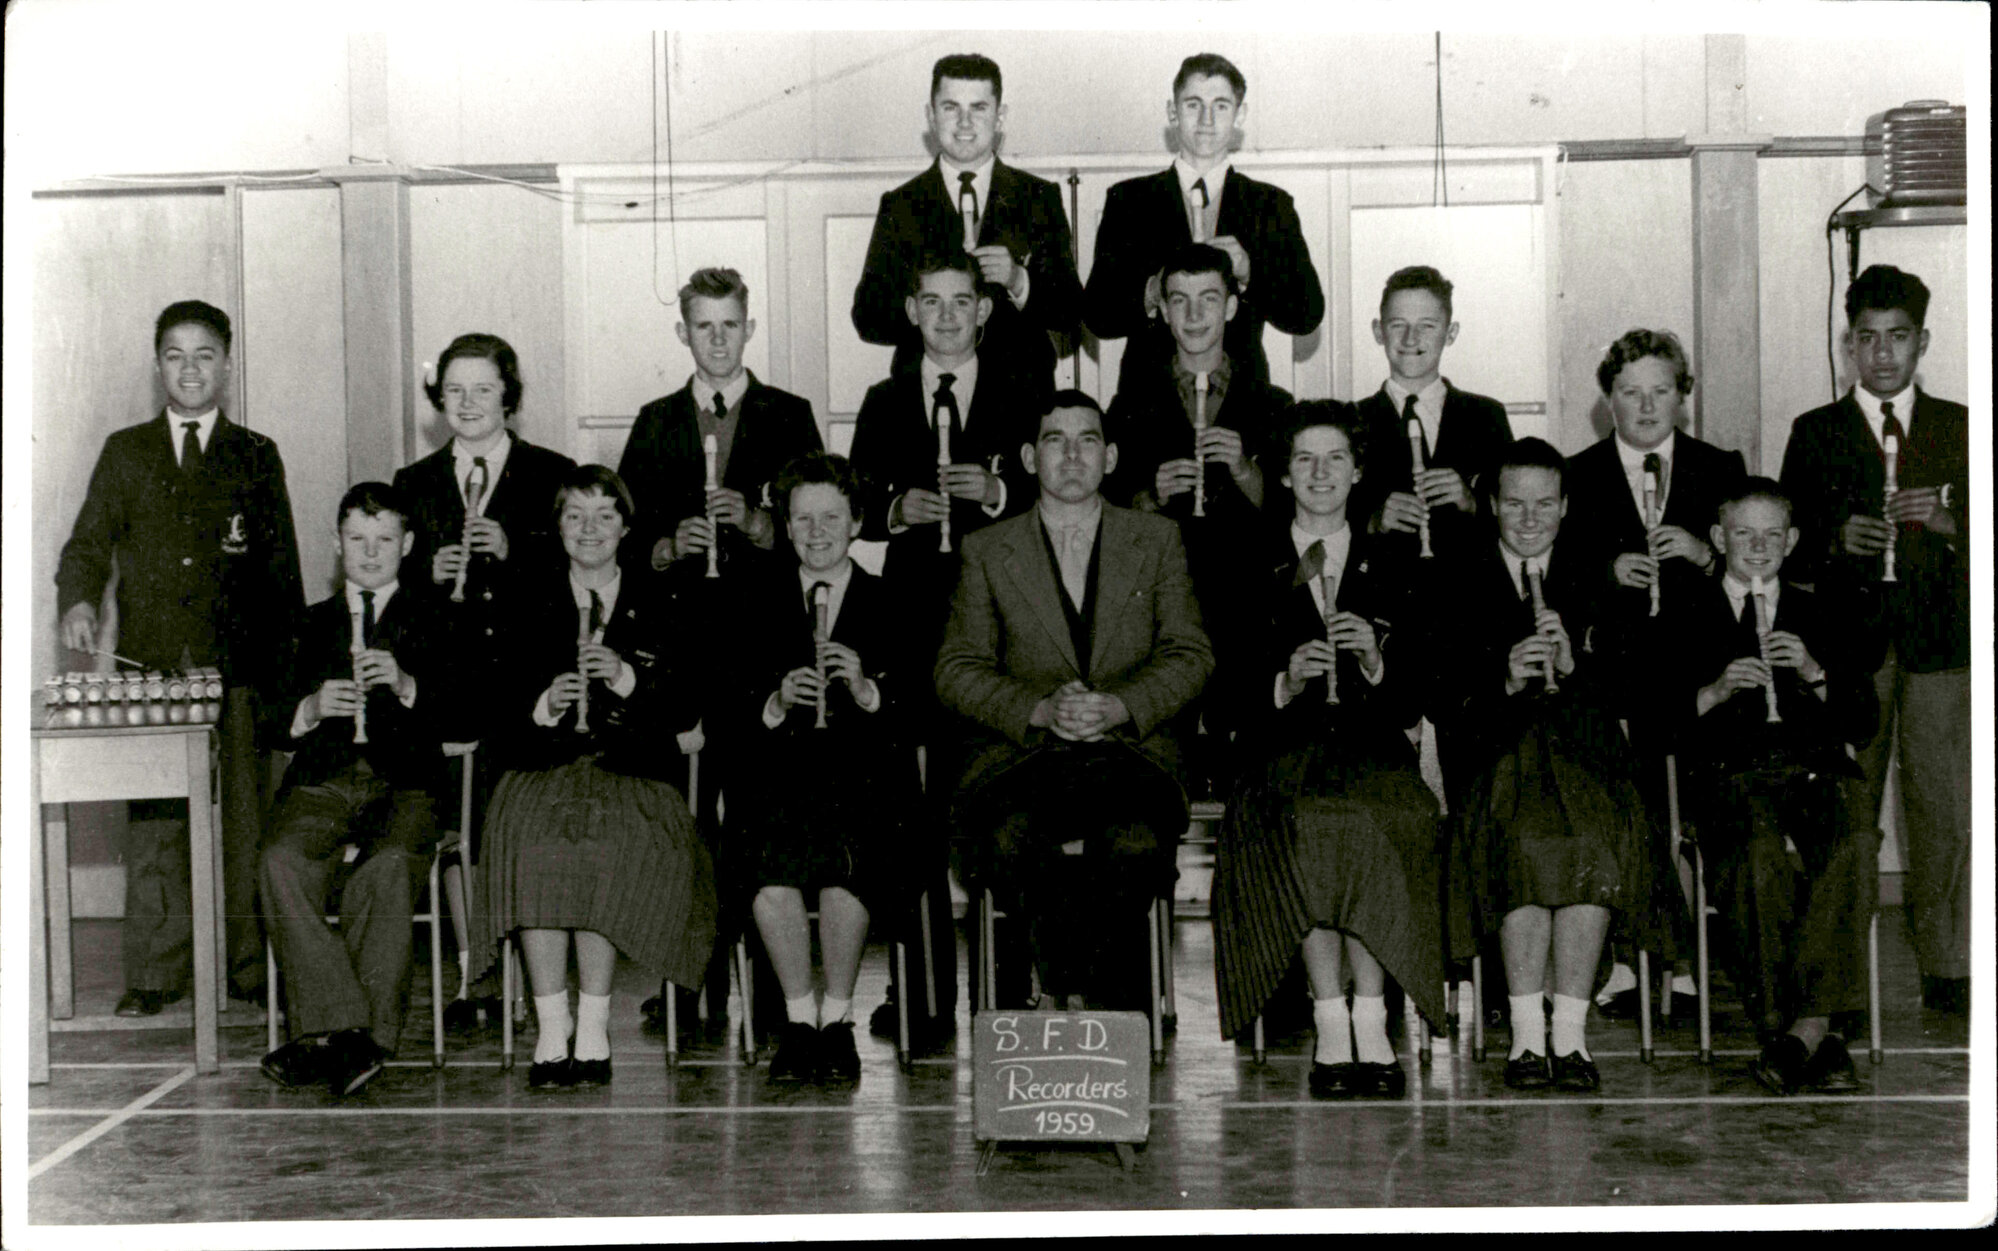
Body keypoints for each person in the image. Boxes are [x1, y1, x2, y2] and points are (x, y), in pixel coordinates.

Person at [55, 299, 305, 1014]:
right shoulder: (125, 451)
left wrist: (284, 685)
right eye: (175, 355)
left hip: (239, 671)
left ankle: (247, 966)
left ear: (226, 365)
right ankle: (155, 971)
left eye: (204, 355)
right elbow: (86, 544)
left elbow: (282, 574)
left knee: (245, 822)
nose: (190, 369)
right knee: (157, 823)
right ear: (157, 365)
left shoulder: (256, 454)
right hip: (154, 670)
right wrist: (78, 600)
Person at [935, 392, 1213, 1010]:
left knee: (1134, 847)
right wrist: (1038, 709)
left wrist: (1121, 705)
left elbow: (1191, 654)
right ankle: (1072, 997)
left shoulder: (1157, 538)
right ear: (1029, 458)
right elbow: (956, 668)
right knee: (1006, 844)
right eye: (1054, 441)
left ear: (1110, 457)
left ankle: (1099, 1013)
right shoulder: (988, 548)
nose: (1071, 456)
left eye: (1087, 440)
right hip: (1023, 761)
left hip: (1130, 757)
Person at [1212, 403, 1442, 1100]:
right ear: (1283, 473)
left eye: (1336, 458)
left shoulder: (1398, 562)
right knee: (1310, 820)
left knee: (1390, 816)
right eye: (1304, 459)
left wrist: (1376, 661)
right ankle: (1330, 1018)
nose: (1320, 473)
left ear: (1358, 471)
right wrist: (1283, 682)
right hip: (1281, 754)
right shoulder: (1243, 560)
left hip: (1374, 754)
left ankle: (1372, 1016)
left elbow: (1417, 698)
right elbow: (1220, 695)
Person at [468, 466, 719, 1089]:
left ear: (626, 528)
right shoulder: (525, 598)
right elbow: (494, 706)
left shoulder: (665, 599)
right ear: (557, 527)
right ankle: (552, 1030)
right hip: (543, 769)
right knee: (534, 846)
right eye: (575, 515)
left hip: (632, 772)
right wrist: (544, 704)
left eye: (605, 515)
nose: (589, 529)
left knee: (606, 851)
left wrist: (627, 680)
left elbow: (687, 707)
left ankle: (594, 1027)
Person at [848, 252, 1041, 1045]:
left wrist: (996, 493)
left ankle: (1008, 995)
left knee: (1003, 806)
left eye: (963, 301)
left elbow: (1055, 489)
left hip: (1002, 628)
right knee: (913, 817)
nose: (949, 316)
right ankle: (920, 997)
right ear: (911, 311)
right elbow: (856, 500)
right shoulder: (884, 399)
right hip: (913, 627)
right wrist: (899, 509)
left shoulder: (1022, 389)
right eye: (933, 302)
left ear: (984, 310)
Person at [1423, 438, 1650, 1092]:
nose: (1529, 519)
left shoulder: (1596, 577)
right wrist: (1502, 678)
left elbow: (1632, 692)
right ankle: (1527, 1035)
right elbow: (1437, 696)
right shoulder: (1453, 576)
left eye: (1544, 504)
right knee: (1523, 836)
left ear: (1565, 506)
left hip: (1584, 769)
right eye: (1515, 503)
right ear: (1493, 504)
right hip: (1494, 768)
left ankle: (1569, 1036)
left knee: (1590, 838)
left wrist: (1575, 667)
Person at [1778, 265, 1970, 1017]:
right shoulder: (1814, 432)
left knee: (1944, 810)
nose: (1883, 353)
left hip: (1941, 648)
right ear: (1848, 345)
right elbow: (1784, 549)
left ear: (1923, 341)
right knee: (1850, 814)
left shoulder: (1961, 425)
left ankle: (1950, 963)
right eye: (1867, 338)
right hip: (1851, 651)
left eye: (1898, 337)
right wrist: (1835, 540)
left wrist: (1950, 522)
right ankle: (1842, 979)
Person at [392, 332, 576, 1033]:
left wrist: (516, 552)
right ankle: (478, 973)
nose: (467, 403)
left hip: (527, 690)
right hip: (449, 691)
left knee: (516, 826)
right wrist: (424, 575)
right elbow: (396, 602)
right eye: (454, 391)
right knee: (457, 827)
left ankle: (531, 978)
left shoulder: (553, 474)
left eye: (483, 390)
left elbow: (579, 582)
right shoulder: (413, 482)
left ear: (509, 397)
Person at [1670, 480, 1879, 1094]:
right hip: (1729, 777)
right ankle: (1818, 1033)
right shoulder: (1684, 612)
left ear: (1791, 542)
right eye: (1743, 534)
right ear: (1718, 538)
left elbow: (1863, 723)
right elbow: (1652, 726)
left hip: (1815, 773)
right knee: (1757, 854)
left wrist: (1815, 672)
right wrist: (1713, 692)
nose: (1757, 547)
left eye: (1771, 535)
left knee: (1854, 840)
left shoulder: (1821, 612)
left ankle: (1798, 1034)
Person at [1564, 329, 1745, 1018]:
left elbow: (1754, 572)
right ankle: (1630, 957)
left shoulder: (1720, 467)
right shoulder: (1577, 474)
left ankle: (1687, 958)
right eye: (1630, 392)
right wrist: (1605, 574)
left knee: (1694, 806)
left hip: (1701, 678)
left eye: (1660, 391)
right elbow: (1556, 578)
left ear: (1682, 397)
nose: (1645, 406)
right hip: (1616, 678)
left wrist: (1705, 556)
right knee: (1624, 802)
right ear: (1608, 400)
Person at [726, 453, 921, 1086]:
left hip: (864, 782)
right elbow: (727, 711)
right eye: (802, 519)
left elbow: (918, 710)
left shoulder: (892, 601)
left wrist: (866, 690)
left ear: (857, 522)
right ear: (785, 526)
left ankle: (837, 1021)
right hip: (778, 778)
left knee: (850, 858)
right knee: (768, 857)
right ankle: (798, 1020)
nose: (816, 532)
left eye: (831, 518)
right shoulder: (751, 598)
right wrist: (776, 702)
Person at [258, 483, 443, 1097]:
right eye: (356, 539)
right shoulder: (308, 622)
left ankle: (333, 1037)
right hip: (324, 783)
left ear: (407, 544)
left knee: (386, 867)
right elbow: (269, 719)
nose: (369, 552)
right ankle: (349, 1034)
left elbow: (471, 711)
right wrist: (310, 708)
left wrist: (409, 683)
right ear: (337, 544)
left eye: (384, 539)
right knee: (280, 861)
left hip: (407, 785)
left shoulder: (439, 615)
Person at [1105, 241, 1292, 789]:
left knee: (1252, 785)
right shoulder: (1129, 406)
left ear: (1231, 307)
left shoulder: (1274, 405)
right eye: (1179, 300)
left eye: (1208, 298)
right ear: (1162, 310)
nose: (1193, 315)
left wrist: (1246, 471)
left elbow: (1295, 517)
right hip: (1161, 620)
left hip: (1248, 615)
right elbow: (1103, 513)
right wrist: (1151, 495)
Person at [1084, 52, 1324, 392]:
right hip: (1150, 399)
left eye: (1221, 106)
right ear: (1173, 112)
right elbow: (1096, 315)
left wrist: (1250, 272)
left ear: (1240, 115)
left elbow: (1307, 314)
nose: (1206, 119)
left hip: (1241, 399)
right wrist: (1152, 290)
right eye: (1193, 104)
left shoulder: (1270, 205)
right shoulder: (1129, 201)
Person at [851, 52, 1082, 391]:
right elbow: (868, 317)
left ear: (1000, 117)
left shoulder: (1038, 197)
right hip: (928, 393)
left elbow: (1070, 312)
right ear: (931, 116)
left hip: (1019, 394)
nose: (964, 122)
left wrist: (1018, 279)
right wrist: (929, 301)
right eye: (951, 108)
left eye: (978, 108)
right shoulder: (900, 205)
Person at [617, 267, 823, 583]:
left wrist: (758, 525)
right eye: (704, 326)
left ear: (749, 329)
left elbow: (822, 522)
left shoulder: (791, 415)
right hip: (676, 605)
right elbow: (623, 528)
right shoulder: (653, 420)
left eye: (730, 324)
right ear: (682, 333)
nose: (718, 339)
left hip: (765, 602)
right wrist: (669, 548)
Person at [1351, 266, 1513, 563]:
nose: (1410, 339)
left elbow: (1515, 513)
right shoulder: (1351, 419)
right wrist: (1373, 522)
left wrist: (1472, 502)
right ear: (1378, 331)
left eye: (1427, 326)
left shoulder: (1487, 416)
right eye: (1397, 325)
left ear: (1450, 333)